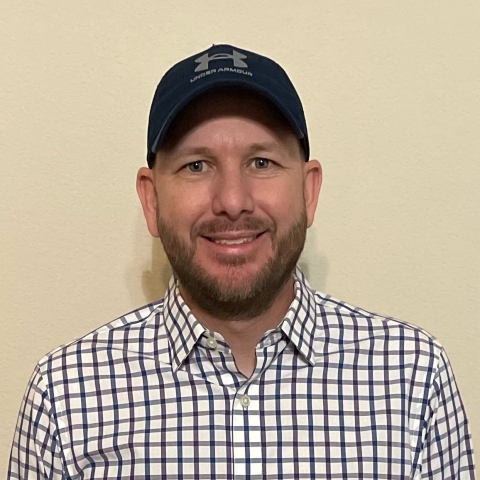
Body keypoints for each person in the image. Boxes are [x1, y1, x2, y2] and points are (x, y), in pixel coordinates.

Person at [8, 44, 475, 479]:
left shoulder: (414, 379)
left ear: (309, 190)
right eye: (196, 165)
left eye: (261, 163)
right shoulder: (64, 398)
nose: (232, 201)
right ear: (151, 200)